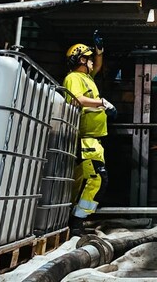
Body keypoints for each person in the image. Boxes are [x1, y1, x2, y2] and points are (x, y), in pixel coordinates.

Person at [63, 30, 116, 236]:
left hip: (92, 140)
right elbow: (77, 98)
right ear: (82, 60)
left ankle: (73, 220)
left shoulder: (86, 77)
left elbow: (99, 66)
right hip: (86, 140)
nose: (93, 62)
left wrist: (99, 51)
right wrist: (102, 102)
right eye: (90, 58)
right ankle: (77, 221)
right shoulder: (74, 78)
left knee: (80, 182)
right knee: (97, 179)